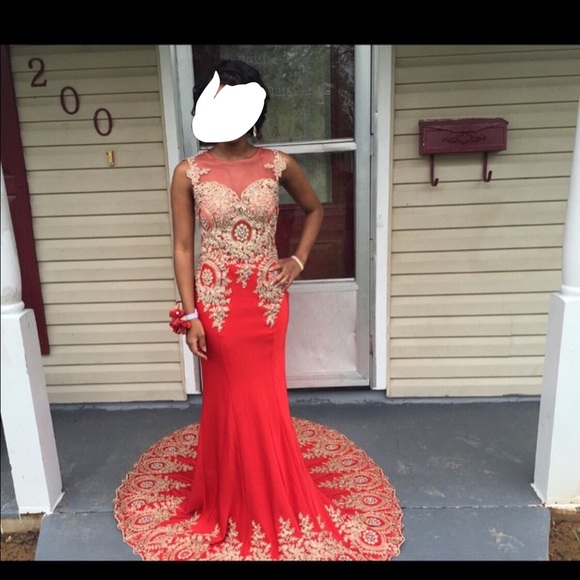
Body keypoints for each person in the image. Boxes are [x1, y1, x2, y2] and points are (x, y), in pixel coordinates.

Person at [114, 59, 403, 561]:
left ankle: (267, 489)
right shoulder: (189, 173)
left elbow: (314, 210)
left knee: (265, 398)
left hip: (266, 304)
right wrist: (191, 315)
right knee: (227, 401)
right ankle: (230, 492)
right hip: (217, 305)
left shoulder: (278, 164)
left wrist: (298, 259)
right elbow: (182, 248)